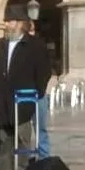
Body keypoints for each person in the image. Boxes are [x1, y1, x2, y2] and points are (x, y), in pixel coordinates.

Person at [0, 5, 52, 170]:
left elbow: (44, 71)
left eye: (9, 21)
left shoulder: (34, 45)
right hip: (4, 99)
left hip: (24, 99)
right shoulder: (1, 45)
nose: (6, 25)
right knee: (5, 137)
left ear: (18, 24)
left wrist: (37, 92)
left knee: (22, 137)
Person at [28, 19, 52, 159]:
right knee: (23, 130)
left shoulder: (40, 46)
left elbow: (46, 70)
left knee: (40, 128)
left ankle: (44, 158)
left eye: (32, 31)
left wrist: (40, 88)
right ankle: (24, 158)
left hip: (39, 94)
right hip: (23, 93)